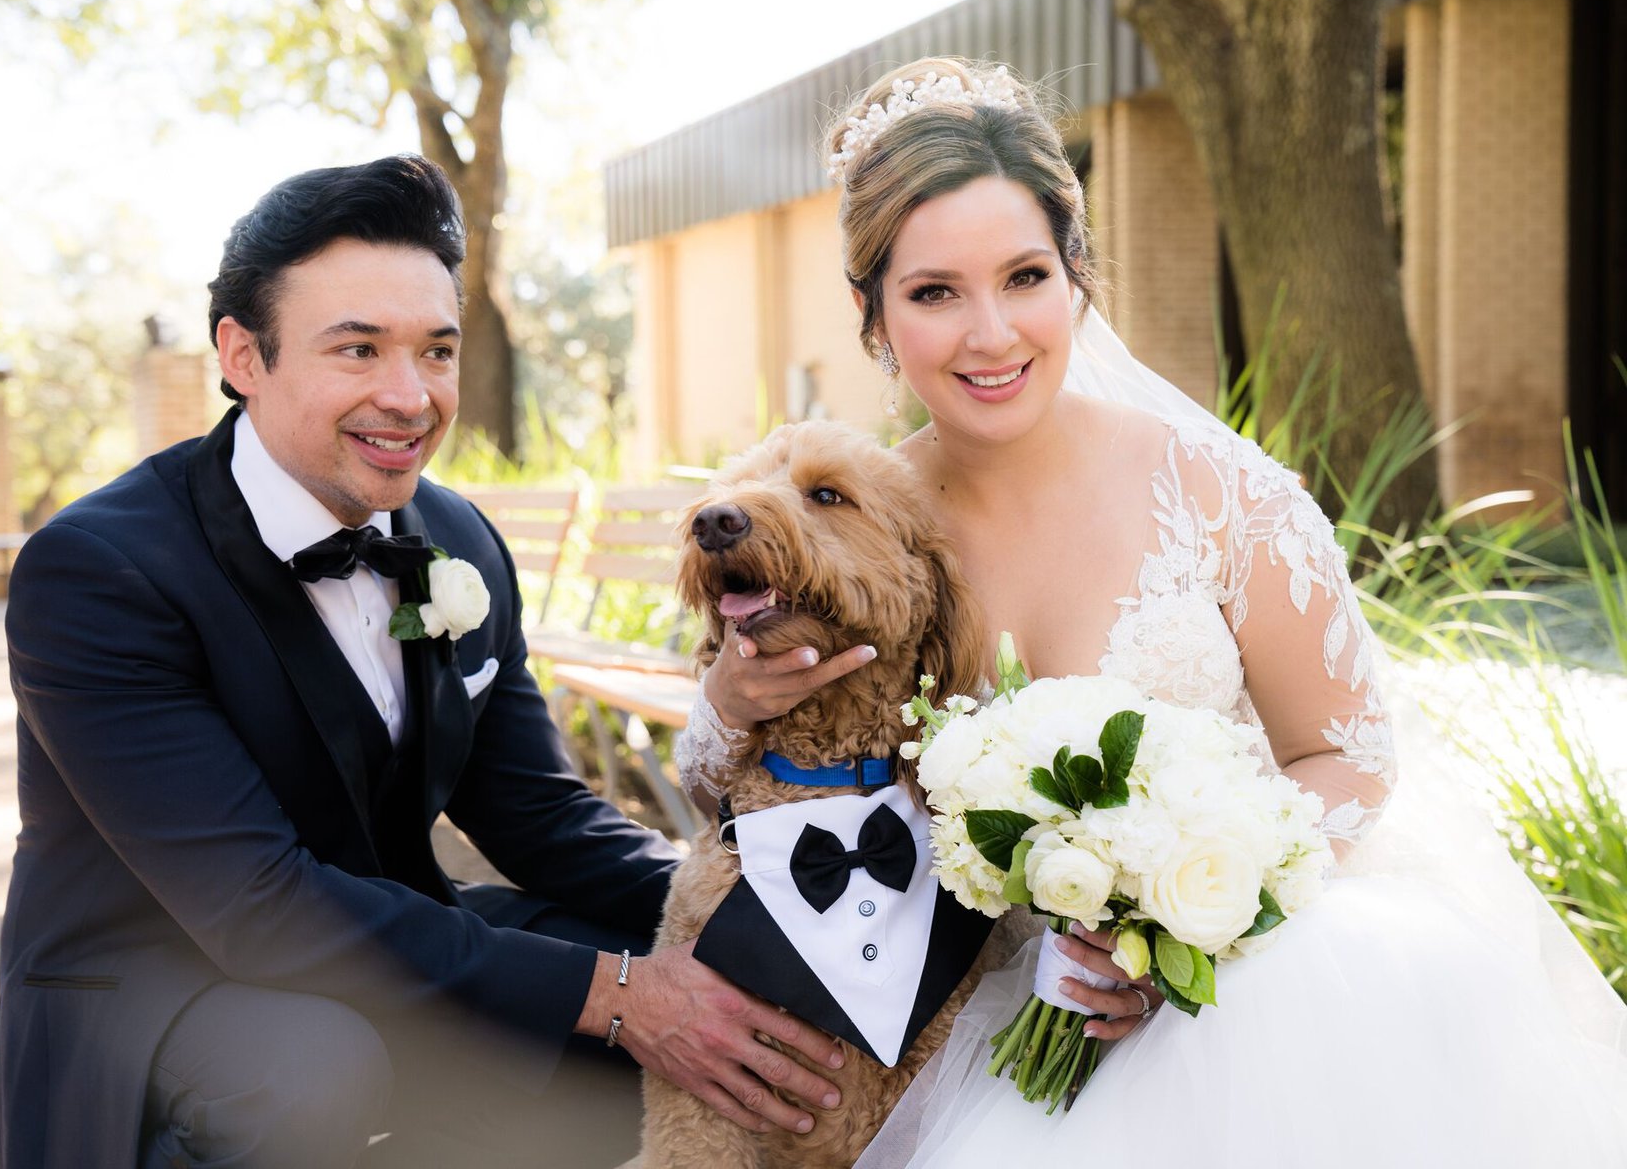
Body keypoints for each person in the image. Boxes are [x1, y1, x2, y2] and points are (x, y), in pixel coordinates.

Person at [675, 58, 1627, 1166]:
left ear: (1076, 274)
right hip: (966, 1002)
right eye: (935, 292)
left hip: (1244, 996)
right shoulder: (854, 530)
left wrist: (1178, 927)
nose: (991, 334)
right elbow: (743, 786)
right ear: (871, 310)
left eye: (1025, 276)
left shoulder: (1223, 496)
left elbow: (1347, 753)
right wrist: (730, 699)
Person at [0, 154, 848, 1169]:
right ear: (242, 354)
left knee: (687, 960)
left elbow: (540, 816)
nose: (410, 396)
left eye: (436, 352)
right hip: (150, 981)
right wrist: (615, 998)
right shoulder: (100, 571)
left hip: (378, 936)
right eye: (357, 350)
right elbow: (259, 905)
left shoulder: (457, 538)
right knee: (320, 1064)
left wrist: (759, 909)